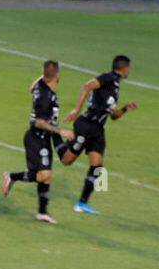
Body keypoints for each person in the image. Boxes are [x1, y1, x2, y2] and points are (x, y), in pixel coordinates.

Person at [59, 55, 138, 215]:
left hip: (98, 130)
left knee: (97, 166)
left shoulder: (115, 85)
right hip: (86, 125)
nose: (130, 70)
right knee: (67, 160)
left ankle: (82, 203)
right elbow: (87, 86)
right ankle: (54, 135)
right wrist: (76, 109)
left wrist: (125, 109)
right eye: (129, 68)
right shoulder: (108, 78)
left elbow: (113, 116)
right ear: (124, 68)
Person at [3, 60, 77, 224]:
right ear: (56, 75)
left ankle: (42, 213)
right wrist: (60, 130)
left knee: (46, 177)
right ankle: (12, 176)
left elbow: (31, 88)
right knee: (43, 175)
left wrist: (45, 75)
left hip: (44, 138)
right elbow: (39, 122)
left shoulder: (42, 85)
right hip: (36, 138)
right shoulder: (45, 96)